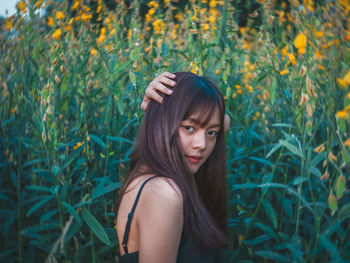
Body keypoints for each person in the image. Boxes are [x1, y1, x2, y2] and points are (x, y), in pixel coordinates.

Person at [116, 72, 230, 263]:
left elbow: (223, 122)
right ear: (165, 123)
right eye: (189, 128)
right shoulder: (164, 193)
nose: (201, 144)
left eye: (211, 132)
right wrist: (159, 111)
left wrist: (157, 109)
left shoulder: (149, 175)